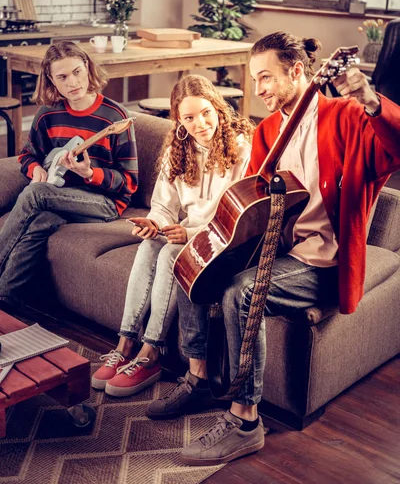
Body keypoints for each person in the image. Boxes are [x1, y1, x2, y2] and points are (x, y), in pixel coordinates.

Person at [146, 31, 400, 466]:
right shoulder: (267, 132)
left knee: (241, 292)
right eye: (255, 78)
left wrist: (371, 100)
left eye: (266, 77)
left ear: (297, 71)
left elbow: (393, 150)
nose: (258, 89)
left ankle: (246, 420)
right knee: (191, 267)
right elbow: (256, 205)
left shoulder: (345, 117)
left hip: (322, 260)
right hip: (278, 251)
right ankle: (199, 378)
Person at [91, 74, 254, 397]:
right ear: (179, 121)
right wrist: (154, 223)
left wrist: (189, 231)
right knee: (152, 242)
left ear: (218, 109)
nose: (200, 124)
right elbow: (163, 207)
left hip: (223, 240)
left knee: (169, 252)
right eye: (189, 118)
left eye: (206, 112)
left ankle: (150, 351)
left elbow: (238, 218)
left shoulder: (241, 150)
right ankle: (125, 344)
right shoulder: (177, 150)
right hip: (189, 234)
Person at [0, 41, 138, 311]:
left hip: (105, 203)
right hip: (60, 198)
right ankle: (7, 301)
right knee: (39, 222)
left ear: (87, 67)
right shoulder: (48, 114)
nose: (72, 82)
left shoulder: (115, 117)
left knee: (36, 193)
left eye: (77, 72)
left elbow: (129, 183)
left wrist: (90, 173)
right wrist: (36, 169)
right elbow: (28, 155)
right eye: (62, 77)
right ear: (51, 79)